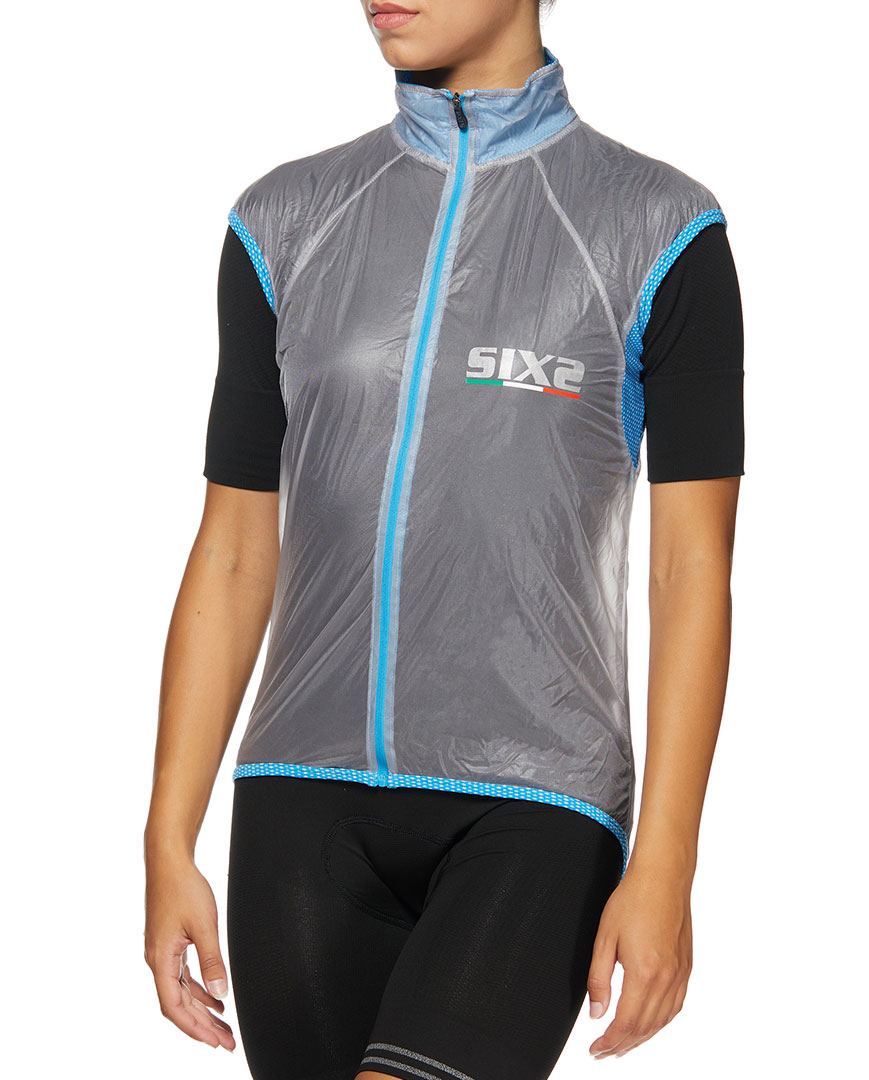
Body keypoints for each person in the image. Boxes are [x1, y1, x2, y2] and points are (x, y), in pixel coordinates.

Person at [143, 1, 744, 1077]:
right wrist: (166, 837)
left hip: (538, 802)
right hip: (301, 799)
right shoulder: (282, 220)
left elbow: (688, 568)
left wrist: (666, 864)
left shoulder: (658, 228)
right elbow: (232, 549)